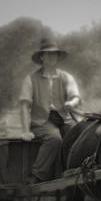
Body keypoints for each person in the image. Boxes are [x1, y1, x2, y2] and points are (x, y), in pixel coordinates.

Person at [19, 38, 81, 183]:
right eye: (48, 54)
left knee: (81, 133)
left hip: (64, 118)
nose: (52, 57)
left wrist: (71, 103)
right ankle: (36, 175)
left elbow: (76, 96)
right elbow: (24, 105)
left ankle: (76, 172)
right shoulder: (30, 79)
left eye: (55, 54)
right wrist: (25, 131)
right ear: (42, 57)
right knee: (54, 138)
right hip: (41, 122)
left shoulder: (66, 77)